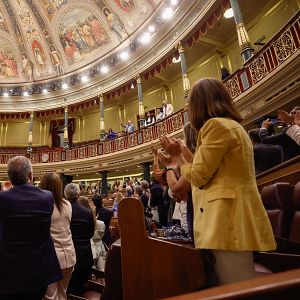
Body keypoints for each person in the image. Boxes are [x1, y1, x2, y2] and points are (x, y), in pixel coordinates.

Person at [159, 78, 276, 285]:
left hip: (226, 220)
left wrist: (177, 157)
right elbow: (207, 168)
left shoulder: (215, 126)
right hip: (230, 218)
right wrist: (183, 152)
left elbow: (198, 177)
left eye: (190, 104)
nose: (187, 109)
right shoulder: (230, 126)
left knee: (236, 288)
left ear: (199, 104)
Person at [0, 156, 62, 299]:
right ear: (30, 175)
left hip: (9, 273)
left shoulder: (2, 199)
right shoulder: (47, 197)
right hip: (38, 271)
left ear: (9, 178)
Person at [40, 172, 76, 300]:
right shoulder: (68, 205)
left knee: (51, 297)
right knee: (62, 294)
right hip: (69, 256)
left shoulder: (43, 206)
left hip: (52, 258)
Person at [65, 183, 95, 295]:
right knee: (81, 289)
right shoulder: (87, 212)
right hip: (85, 256)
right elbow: (91, 234)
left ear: (66, 195)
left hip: (69, 256)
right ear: (78, 194)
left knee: (69, 289)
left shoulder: (64, 212)